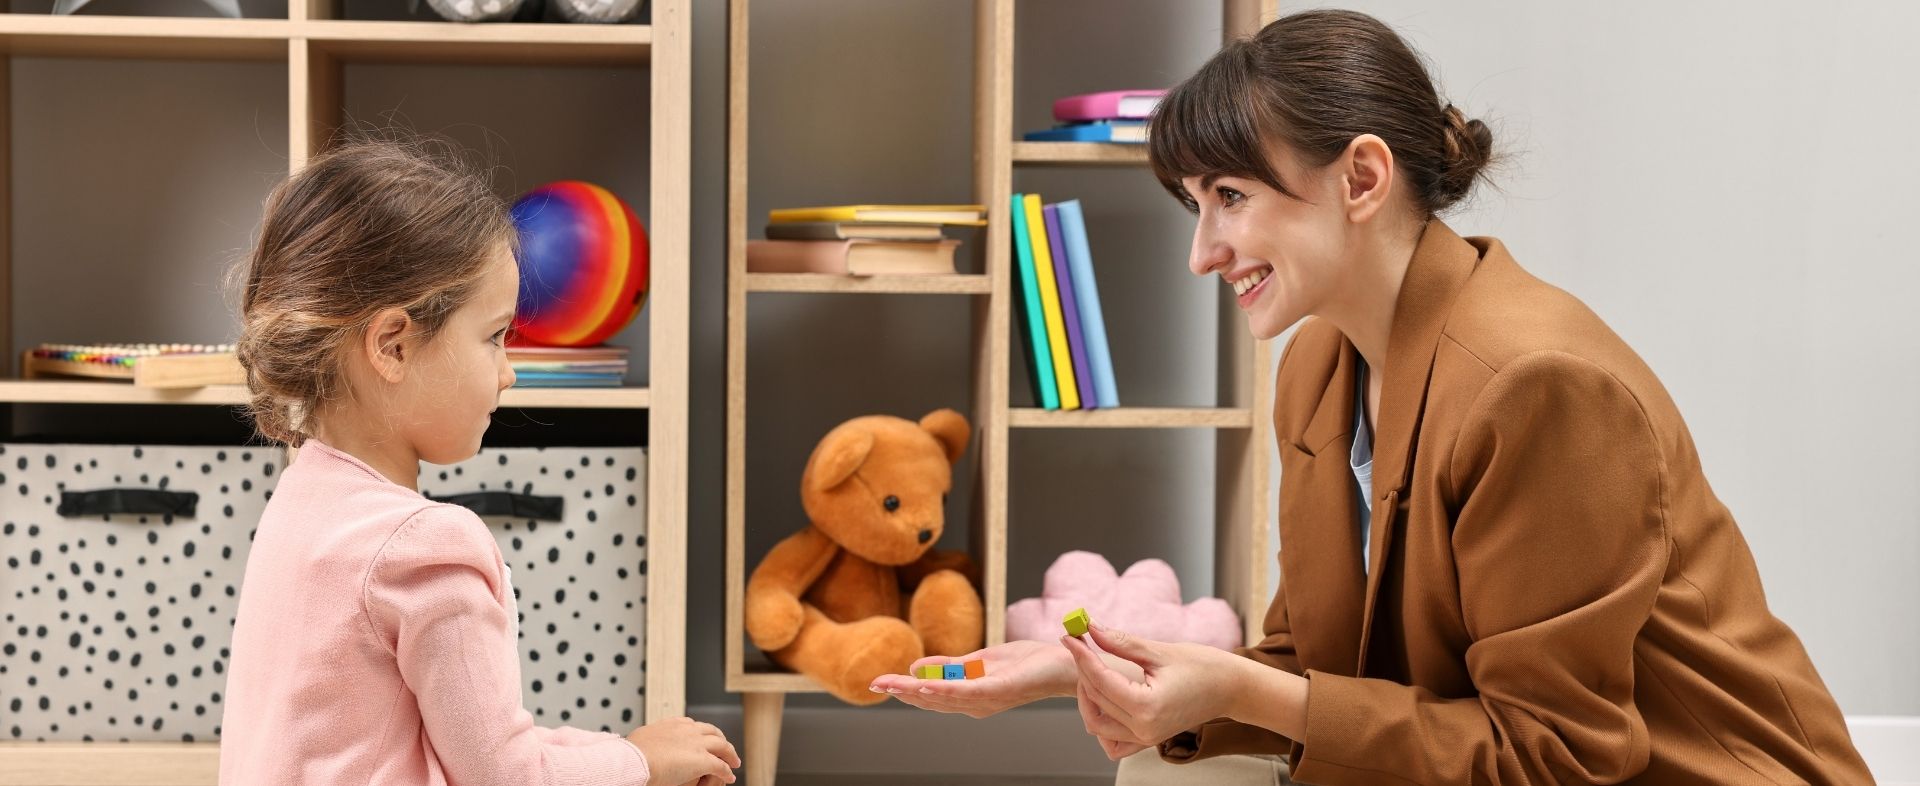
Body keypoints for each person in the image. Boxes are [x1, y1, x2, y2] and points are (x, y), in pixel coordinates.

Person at [870, 10, 1872, 784]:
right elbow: (1313, 658)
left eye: (1231, 198)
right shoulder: (1319, 366)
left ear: (1360, 177)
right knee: (1176, 765)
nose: (1202, 253)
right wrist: (1088, 667)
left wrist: (1237, 689)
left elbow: (1556, 758)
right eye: (1194, 205)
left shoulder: (1539, 386)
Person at [218, 136, 739, 786]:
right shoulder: (425, 548)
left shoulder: (304, 497)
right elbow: (506, 777)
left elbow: (475, 741)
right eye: (494, 338)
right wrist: (640, 764)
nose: (509, 373)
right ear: (393, 346)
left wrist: (621, 750)